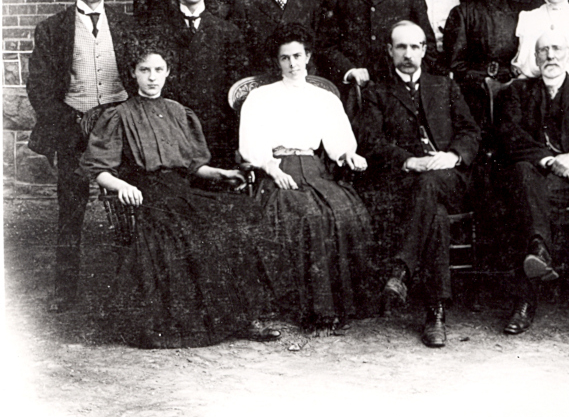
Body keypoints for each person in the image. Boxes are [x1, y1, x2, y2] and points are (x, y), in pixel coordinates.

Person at [79, 38, 282, 348]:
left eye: (158, 69)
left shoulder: (178, 112)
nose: (152, 77)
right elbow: (99, 169)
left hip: (182, 190)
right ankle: (193, 322)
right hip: (146, 193)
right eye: (144, 69)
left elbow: (194, 168)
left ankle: (242, 316)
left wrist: (220, 173)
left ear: (168, 72)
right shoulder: (120, 115)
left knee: (238, 217)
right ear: (132, 73)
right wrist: (123, 186)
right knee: (185, 231)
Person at [239, 24, 376, 331]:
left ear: (308, 56)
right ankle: (315, 309)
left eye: (297, 56)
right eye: (285, 58)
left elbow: (337, 141)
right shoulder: (261, 97)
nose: (292, 63)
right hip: (277, 168)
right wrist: (272, 168)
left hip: (315, 169)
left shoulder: (324, 97)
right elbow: (250, 143)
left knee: (348, 214)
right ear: (277, 61)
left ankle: (342, 305)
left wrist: (347, 155)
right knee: (308, 217)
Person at [356, 21, 481, 348]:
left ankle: (401, 269)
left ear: (425, 50)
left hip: (449, 178)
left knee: (431, 186)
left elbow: (471, 132)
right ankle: (436, 313)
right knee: (435, 216)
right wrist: (408, 160)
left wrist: (453, 155)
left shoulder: (445, 86)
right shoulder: (377, 92)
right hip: (403, 184)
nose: (408, 54)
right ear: (389, 50)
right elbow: (369, 141)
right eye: (401, 47)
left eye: (414, 47)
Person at [26, 0, 135, 310]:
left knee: (127, 204)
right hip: (73, 124)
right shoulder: (52, 28)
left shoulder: (125, 25)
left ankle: (129, 288)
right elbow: (39, 87)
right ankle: (65, 291)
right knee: (71, 208)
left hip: (118, 126)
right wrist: (62, 128)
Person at [498, 30, 569, 336]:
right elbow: (509, 137)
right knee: (523, 176)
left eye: (556, 49)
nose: (550, 55)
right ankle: (532, 274)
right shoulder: (516, 91)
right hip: (538, 178)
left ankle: (530, 284)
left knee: (525, 200)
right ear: (535, 58)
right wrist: (552, 162)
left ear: (568, 55)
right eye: (543, 50)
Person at [153, 0, 248, 167]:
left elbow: (236, 89)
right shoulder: (159, 30)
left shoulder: (227, 32)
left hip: (216, 132)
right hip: (172, 128)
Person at [443, 0, 520, 130]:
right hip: (473, 93)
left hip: (511, 89)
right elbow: (456, 63)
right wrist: (483, 79)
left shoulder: (518, 11)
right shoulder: (461, 13)